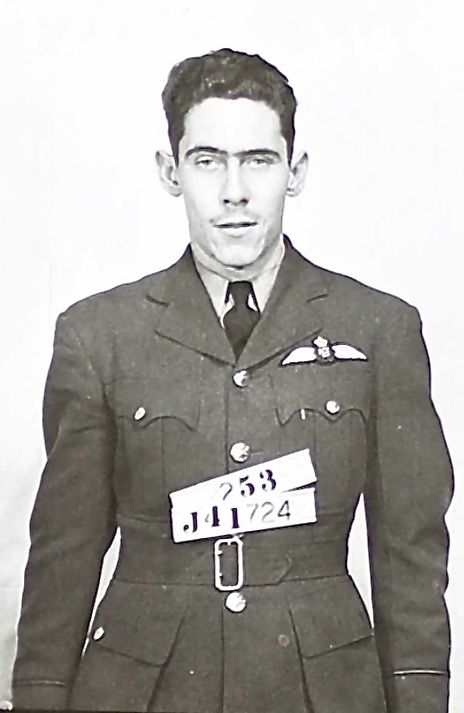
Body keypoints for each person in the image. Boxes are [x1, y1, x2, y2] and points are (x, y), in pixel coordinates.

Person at [12, 48, 453, 713]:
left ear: (295, 172)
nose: (234, 191)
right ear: (170, 171)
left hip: (320, 691)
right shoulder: (99, 336)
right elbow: (63, 561)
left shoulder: (378, 330)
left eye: (259, 160)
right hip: (144, 691)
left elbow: (410, 560)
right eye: (208, 160)